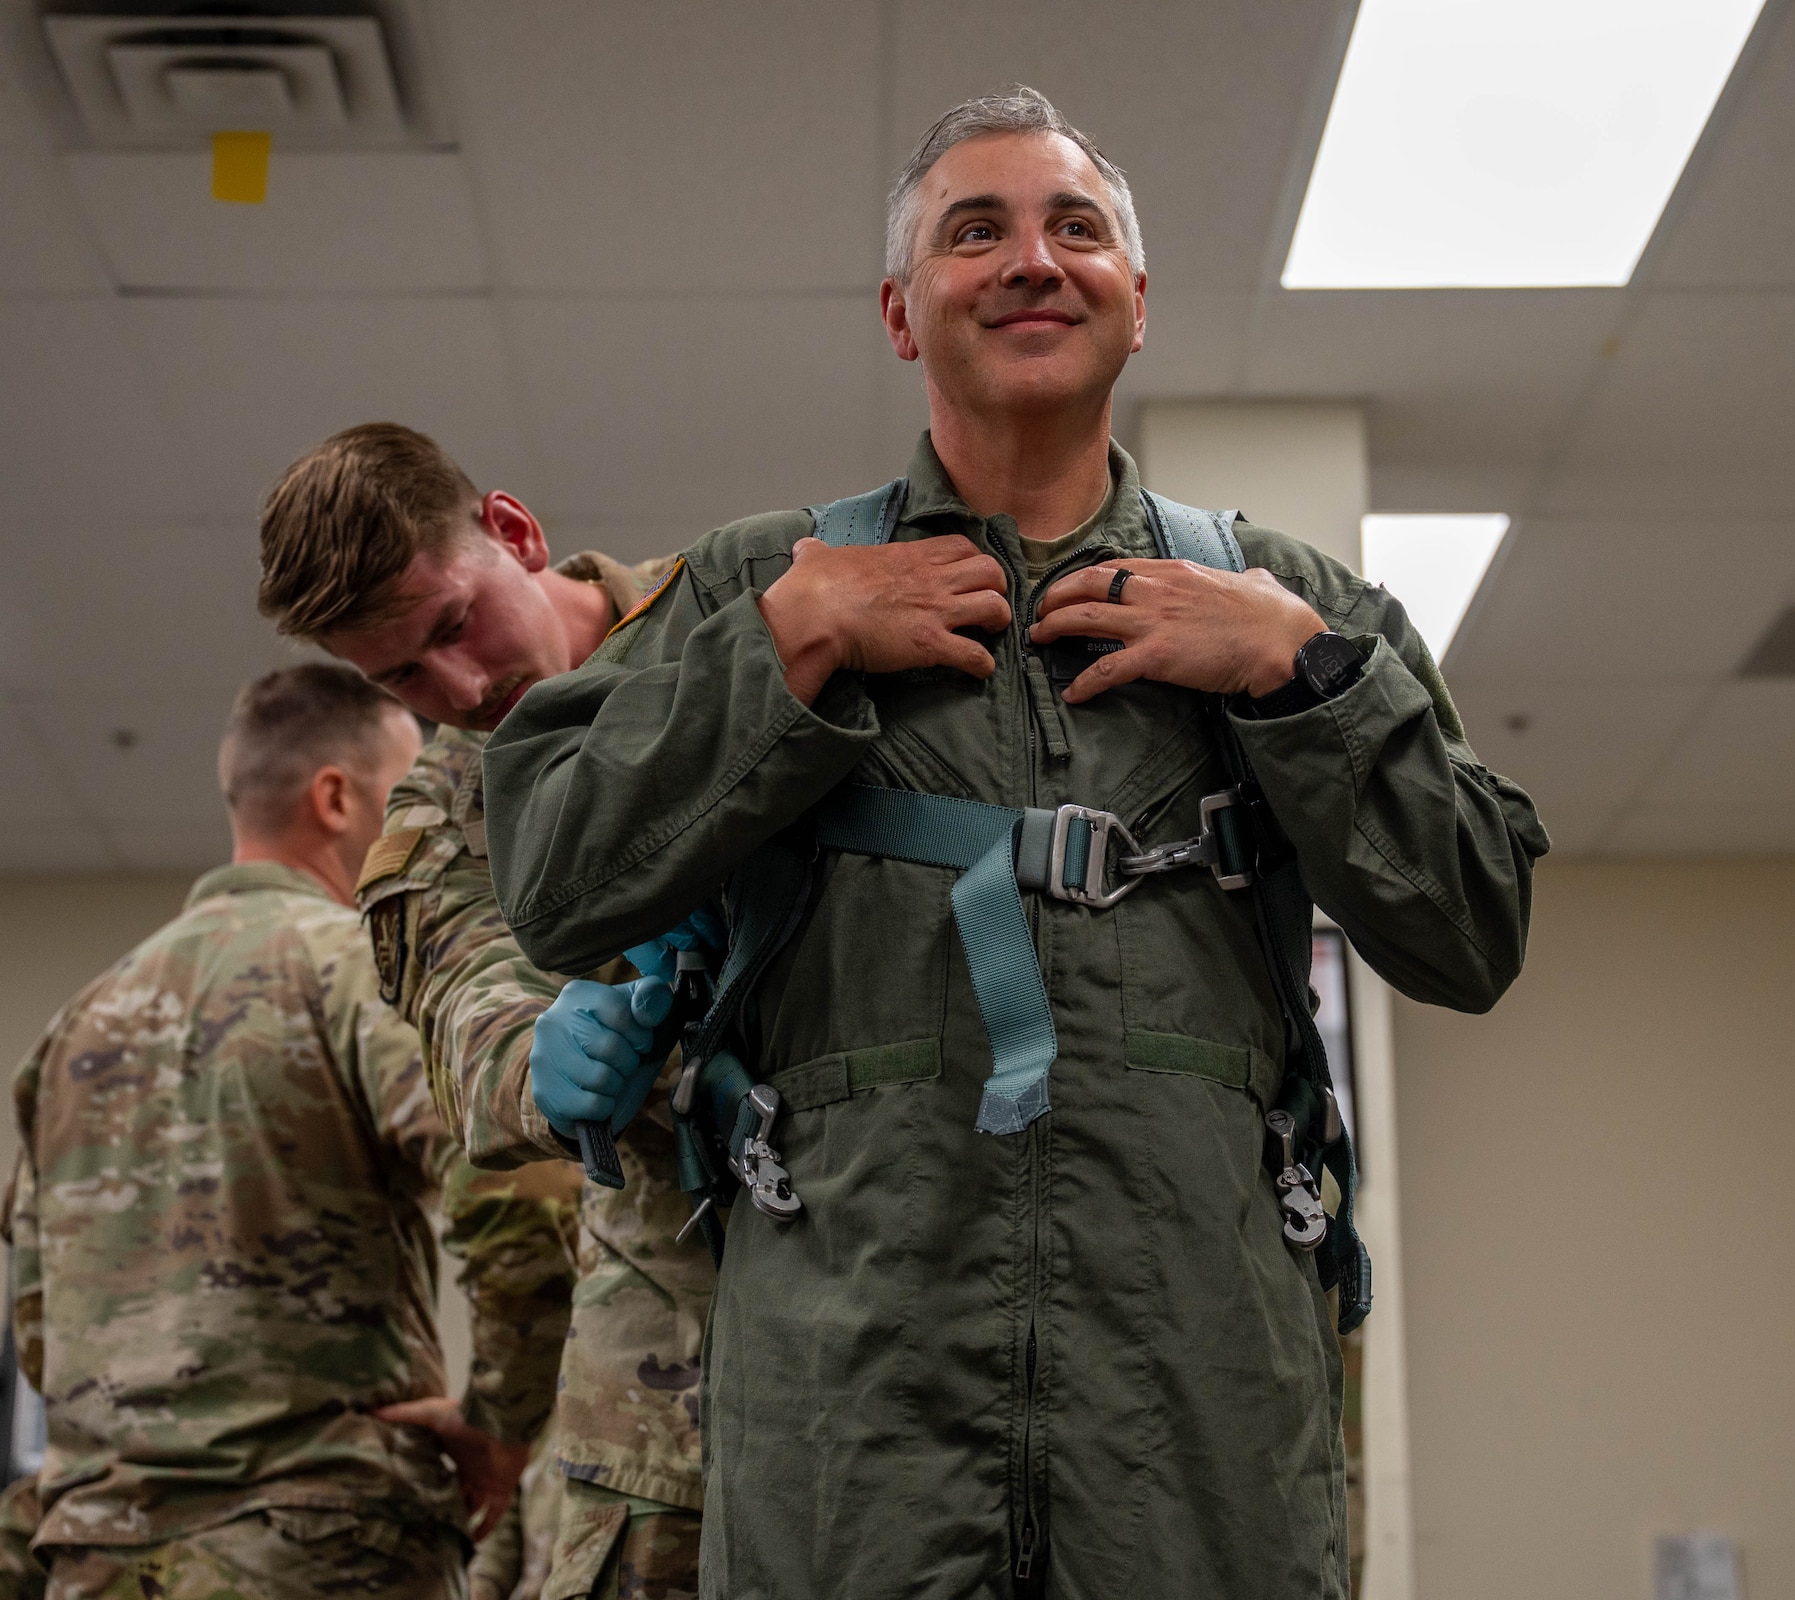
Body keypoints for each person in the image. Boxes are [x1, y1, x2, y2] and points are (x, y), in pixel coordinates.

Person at [483, 88, 1549, 1597]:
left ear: (1136, 300)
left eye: (1077, 229)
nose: (1032, 261)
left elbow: (1475, 933)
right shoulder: (758, 581)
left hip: (1194, 1424)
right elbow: (552, 882)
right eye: (974, 233)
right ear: (903, 315)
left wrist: (1302, 677)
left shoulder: (1291, 602)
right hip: (854, 1424)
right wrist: (791, 641)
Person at [1, 665, 573, 1599]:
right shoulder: (354, 968)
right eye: (407, 794)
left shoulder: (76, 1026)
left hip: (99, 1560)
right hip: (319, 1552)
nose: (422, 827)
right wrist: (504, 1416)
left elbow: (37, 1318)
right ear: (338, 797)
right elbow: (520, 1180)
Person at [255, 424, 707, 1599]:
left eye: (454, 625)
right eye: (401, 677)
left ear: (512, 531)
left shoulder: (739, 621)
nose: (457, 690)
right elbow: (466, 1015)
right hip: (681, 1366)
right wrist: (533, 1063)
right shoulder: (434, 824)